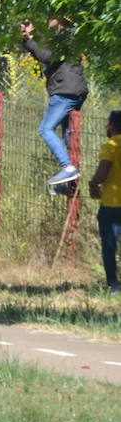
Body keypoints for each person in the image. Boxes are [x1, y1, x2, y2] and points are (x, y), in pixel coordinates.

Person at [22, 19, 89, 185]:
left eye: (49, 18)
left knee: (45, 129)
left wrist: (29, 39)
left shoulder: (61, 39)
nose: (45, 21)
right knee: (68, 132)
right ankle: (70, 182)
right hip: (77, 90)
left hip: (65, 91)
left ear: (59, 20)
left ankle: (68, 168)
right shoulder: (72, 37)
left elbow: (45, 56)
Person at [87, 110, 121, 295]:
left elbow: (102, 174)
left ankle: (113, 286)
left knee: (109, 246)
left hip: (112, 205)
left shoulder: (111, 145)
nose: (106, 126)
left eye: (108, 123)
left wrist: (92, 184)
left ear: (114, 125)